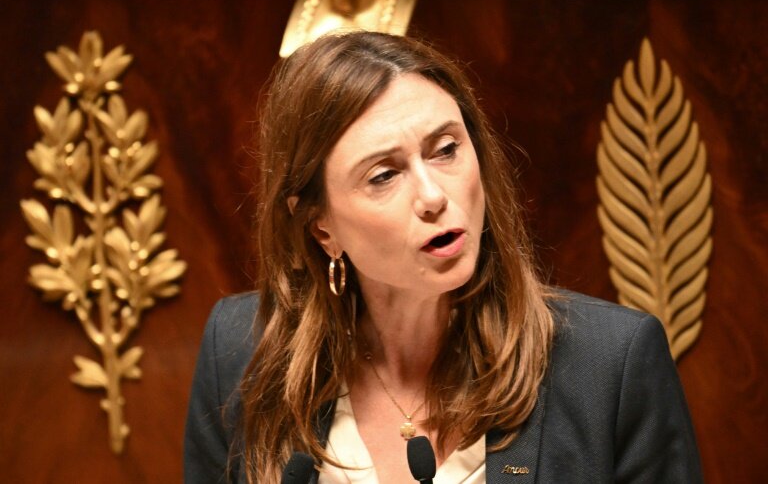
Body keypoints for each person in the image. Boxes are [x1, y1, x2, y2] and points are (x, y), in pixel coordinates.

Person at [184, 31, 702, 483]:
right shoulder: (240, 354)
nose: (433, 196)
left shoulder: (610, 363)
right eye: (384, 175)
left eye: (446, 149)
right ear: (322, 227)